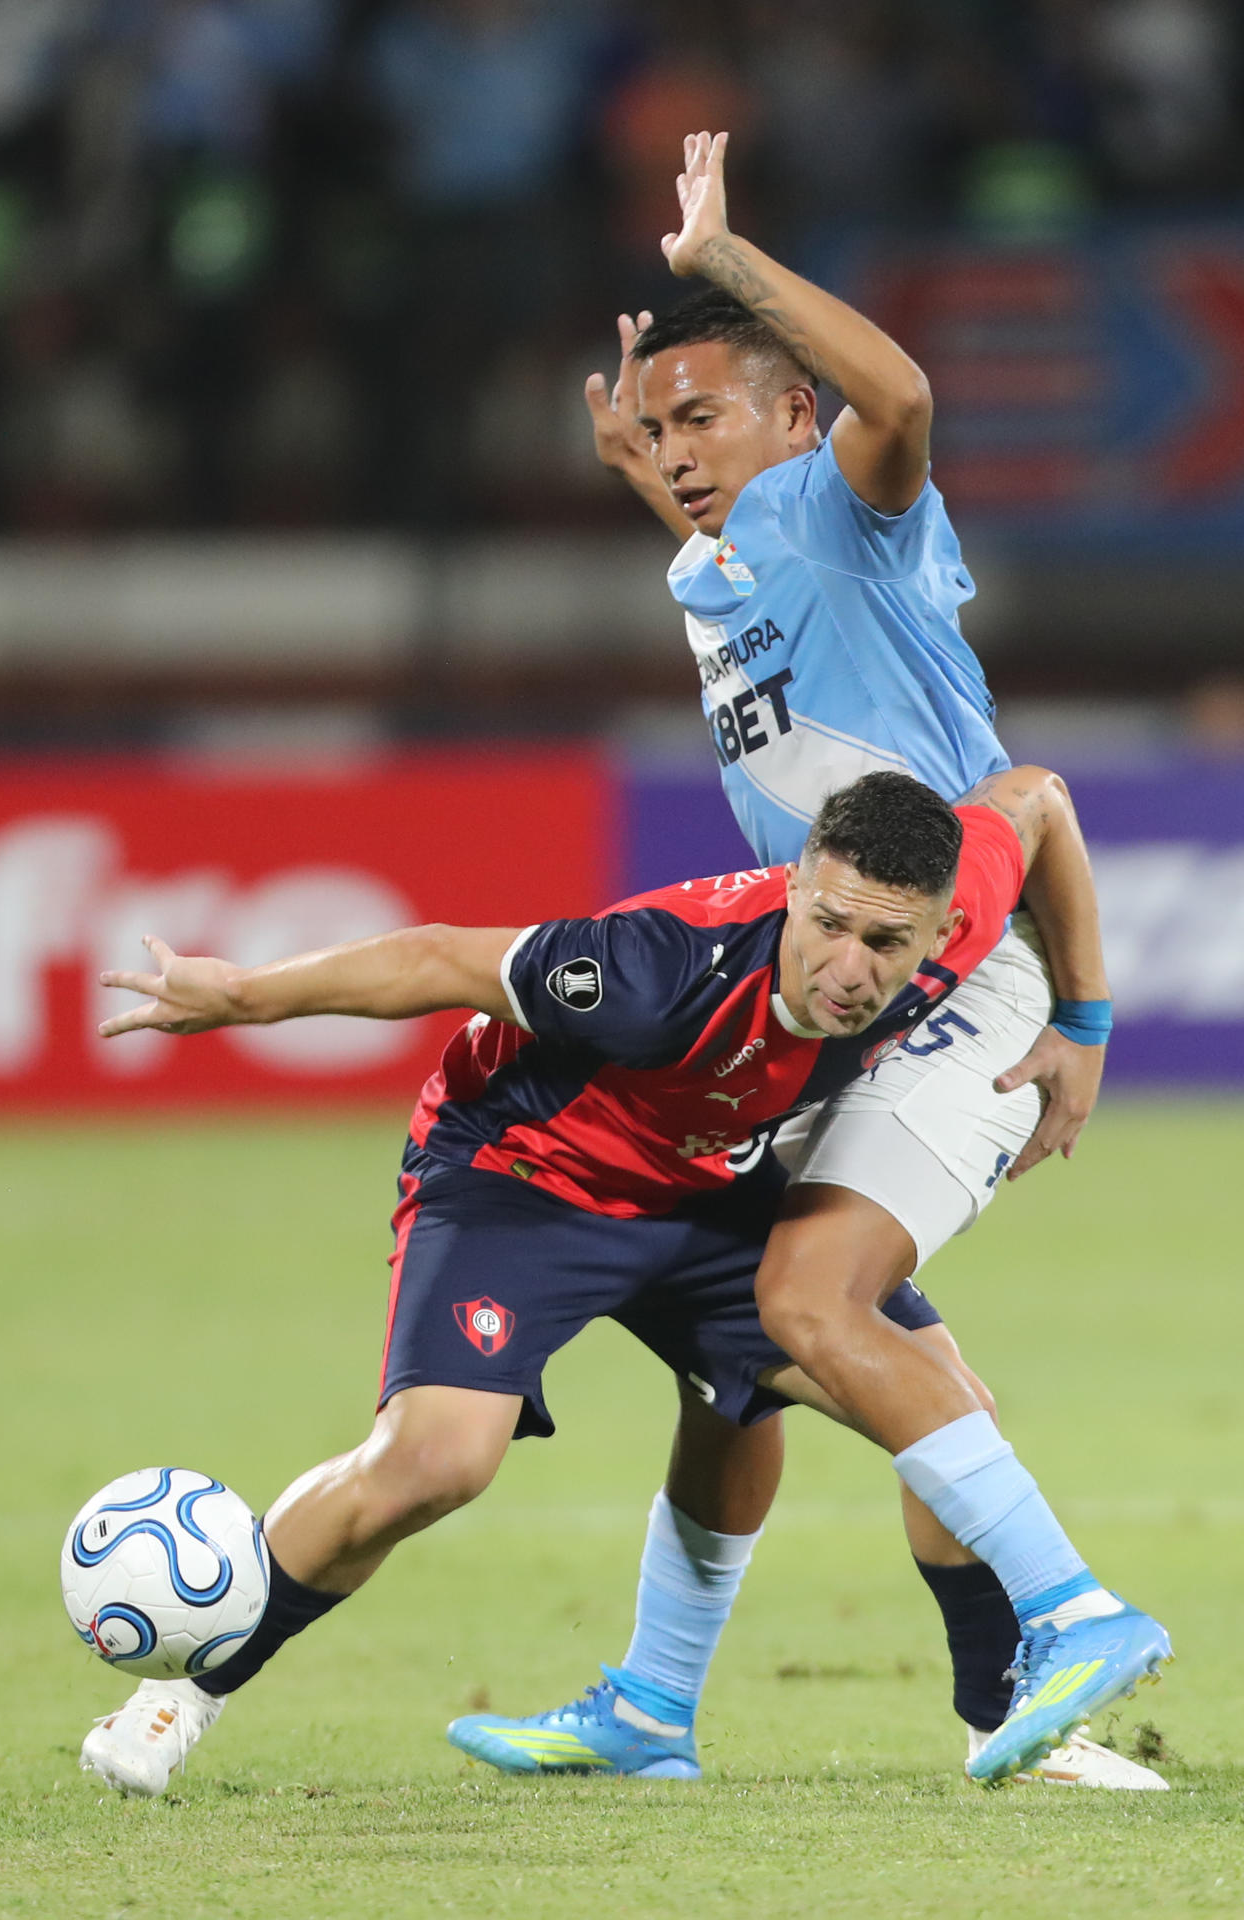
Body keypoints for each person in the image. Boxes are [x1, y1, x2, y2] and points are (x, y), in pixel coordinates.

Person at [449, 131, 1164, 1790]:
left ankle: (1075, 1618)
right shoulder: (723, 564)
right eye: (666, 426)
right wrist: (656, 453)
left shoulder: (848, 514)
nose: (684, 451)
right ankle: (694, 1703)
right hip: (850, 1008)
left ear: (794, 425)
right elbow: (714, 538)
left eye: (716, 418)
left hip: (948, 990)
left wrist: (729, 263)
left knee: (794, 1303)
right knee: (757, 1351)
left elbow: (900, 399)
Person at [76, 770, 1167, 1799]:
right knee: (438, 1461)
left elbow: (1034, 800)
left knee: (934, 1408)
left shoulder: (955, 899)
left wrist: (1081, 1020)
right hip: (522, 1173)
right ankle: (188, 1684)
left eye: (883, 941)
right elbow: (433, 961)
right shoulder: (654, 971)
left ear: (941, 933)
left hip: (704, 1181)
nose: (846, 965)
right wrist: (243, 995)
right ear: (794, 887)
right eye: (825, 924)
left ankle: (984, 1726)